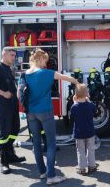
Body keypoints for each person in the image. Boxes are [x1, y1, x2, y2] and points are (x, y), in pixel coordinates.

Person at [17, 48, 78, 185]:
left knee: (36, 143)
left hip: (30, 113)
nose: (45, 63)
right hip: (45, 112)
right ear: (40, 59)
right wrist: (78, 84)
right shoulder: (46, 73)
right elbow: (67, 78)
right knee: (50, 143)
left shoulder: (24, 75)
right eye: (45, 60)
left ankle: (43, 172)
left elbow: (19, 95)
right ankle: (51, 176)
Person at [0, 47, 26, 174]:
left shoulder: (9, 68)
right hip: (4, 105)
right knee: (4, 133)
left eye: (14, 55)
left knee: (14, 129)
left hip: (13, 104)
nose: (14, 58)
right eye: (12, 55)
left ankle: (10, 154)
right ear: (4, 55)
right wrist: (3, 93)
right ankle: (4, 162)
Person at [70, 83, 97, 175]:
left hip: (79, 133)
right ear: (86, 94)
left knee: (80, 150)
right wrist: (89, 102)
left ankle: (81, 168)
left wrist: (75, 102)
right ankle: (92, 166)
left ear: (76, 96)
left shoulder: (74, 107)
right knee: (91, 149)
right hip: (90, 131)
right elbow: (96, 111)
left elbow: (72, 115)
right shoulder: (91, 105)